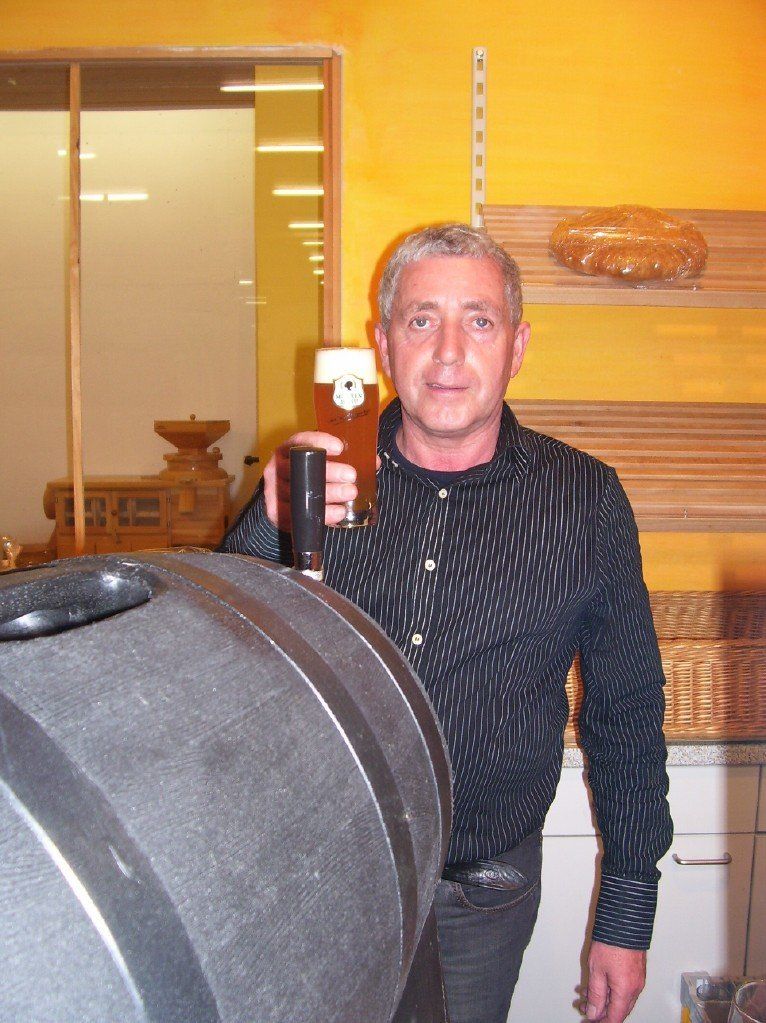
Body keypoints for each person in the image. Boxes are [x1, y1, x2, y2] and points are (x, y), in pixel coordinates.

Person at [220, 223, 673, 1023]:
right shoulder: (315, 482)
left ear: (518, 346)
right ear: (383, 344)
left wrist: (627, 914)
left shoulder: (585, 499)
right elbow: (223, 643)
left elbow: (626, 711)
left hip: (482, 897)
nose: (449, 352)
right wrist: (267, 521)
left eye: (480, 321)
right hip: (321, 882)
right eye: (422, 319)